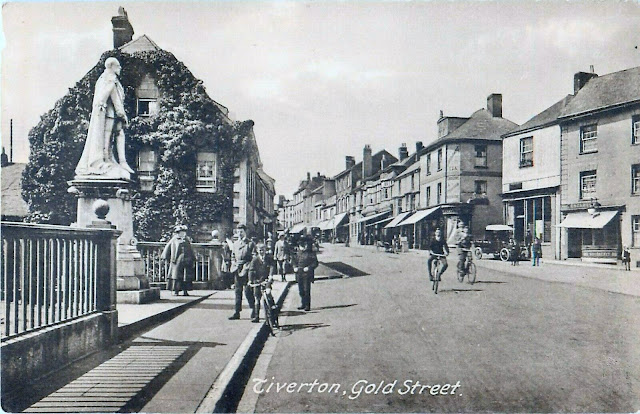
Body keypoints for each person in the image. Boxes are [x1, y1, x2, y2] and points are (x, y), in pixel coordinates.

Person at [75, 57, 134, 179]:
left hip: (110, 114)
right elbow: (114, 99)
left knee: (116, 135)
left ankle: (118, 161)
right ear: (111, 67)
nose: (120, 68)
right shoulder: (110, 79)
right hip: (109, 114)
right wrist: (122, 115)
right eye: (118, 66)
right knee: (107, 138)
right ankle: (106, 160)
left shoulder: (103, 79)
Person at [228, 224, 257, 320]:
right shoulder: (235, 244)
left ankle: (253, 310)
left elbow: (254, 258)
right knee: (237, 291)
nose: (239, 234)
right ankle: (237, 312)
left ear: (245, 232)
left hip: (246, 269)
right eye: (238, 232)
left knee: (248, 291)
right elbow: (233, 256)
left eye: (241, 232)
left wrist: (247, 267)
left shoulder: (250, 244)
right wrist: (234, 264)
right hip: (237, 269)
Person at [162, 225, 195, 296]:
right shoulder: (174, 240)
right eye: (181, 232)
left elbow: (190, 250)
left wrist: (192, 258)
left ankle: (185, 291)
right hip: (177, 261)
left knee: (185, 276)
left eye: (184, 232)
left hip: (186, 260)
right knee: (176, 276)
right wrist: (166, 257)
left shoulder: (187, 240)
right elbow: (168, 248)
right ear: (178, 233)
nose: (183, 234)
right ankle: (176, 291)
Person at [247, 243, 271, 323]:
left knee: (268, 293)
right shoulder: (255, 260)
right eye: (260, 250)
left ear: (265, 250)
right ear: (257, 251)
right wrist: (250, 280)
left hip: (267, 280)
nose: (262, 252)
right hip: (257, 281)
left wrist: (270, 276)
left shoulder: (268, 258)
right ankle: (256, 316)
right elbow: (251, 270)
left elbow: (272, 267)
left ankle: (272, 310)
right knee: (257, 299)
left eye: (263, 250)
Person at [293, 236, 318, 311]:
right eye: (300, 246)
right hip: (299, 273)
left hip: (307, 274)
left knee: (306, 289)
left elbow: (315, 263)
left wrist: (309, 268)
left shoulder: (310, 253)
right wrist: (294, 267)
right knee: (301, 290)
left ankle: (307, 305)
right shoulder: (298, 253)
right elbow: (294, 261)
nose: (302, 247)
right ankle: (303, 303)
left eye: (303, 245)